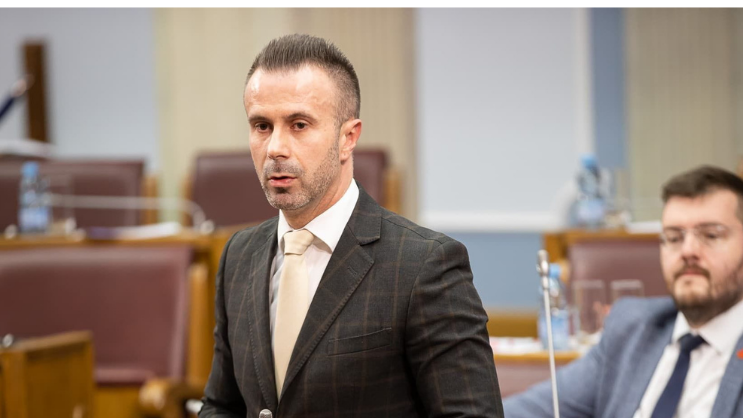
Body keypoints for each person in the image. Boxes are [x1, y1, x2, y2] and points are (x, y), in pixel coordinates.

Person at [199, 34, 503, 418]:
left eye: (298, 124)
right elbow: (221, 405)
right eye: (262, 126)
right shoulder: (238, 255)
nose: (275, 147)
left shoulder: (425, 266)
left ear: (348, 138)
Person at [505, 165, 743, 418]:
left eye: (711, 235)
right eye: (674, 238)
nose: (688, 251)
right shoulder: (634, 328)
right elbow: (526, 410)